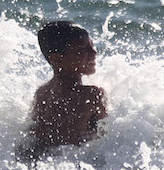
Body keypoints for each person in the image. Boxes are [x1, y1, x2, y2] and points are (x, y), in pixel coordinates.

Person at [20, 21, 108, 161]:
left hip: (45, 163)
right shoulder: (91, 95)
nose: (94, 52)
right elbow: (109, 139)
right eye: (83, 49)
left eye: (91, 46)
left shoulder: (42, 93)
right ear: (57, 59)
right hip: (74, 166)